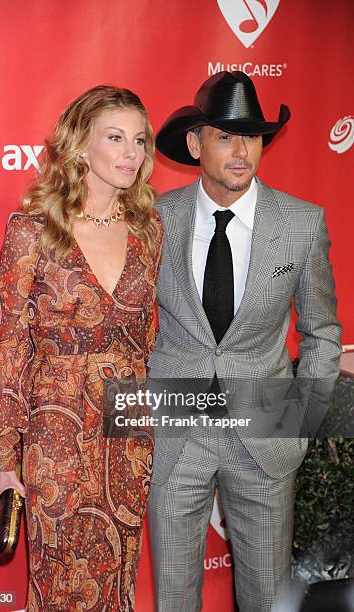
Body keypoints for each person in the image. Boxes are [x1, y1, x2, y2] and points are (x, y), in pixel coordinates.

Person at [147, 71, 341, 611]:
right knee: (173, 598)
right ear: (195, 143)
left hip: (266, 432)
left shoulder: (302, 223)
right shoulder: (157, 220)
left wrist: (302, 422)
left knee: (264, 597)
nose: (241, 152)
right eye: (226, 136)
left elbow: (322, 332)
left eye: (252, 137)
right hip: (177, 428)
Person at [0, 85, 163, 611]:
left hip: (127, 429)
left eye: (139, 140)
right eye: (115, 137)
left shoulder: (149, 230)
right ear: (80, 146)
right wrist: (4, 461)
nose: (132, 153)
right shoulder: (33, 230)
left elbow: (146, 339)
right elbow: (10, 345)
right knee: (58, 577)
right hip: (53, 431)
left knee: (117, 575)